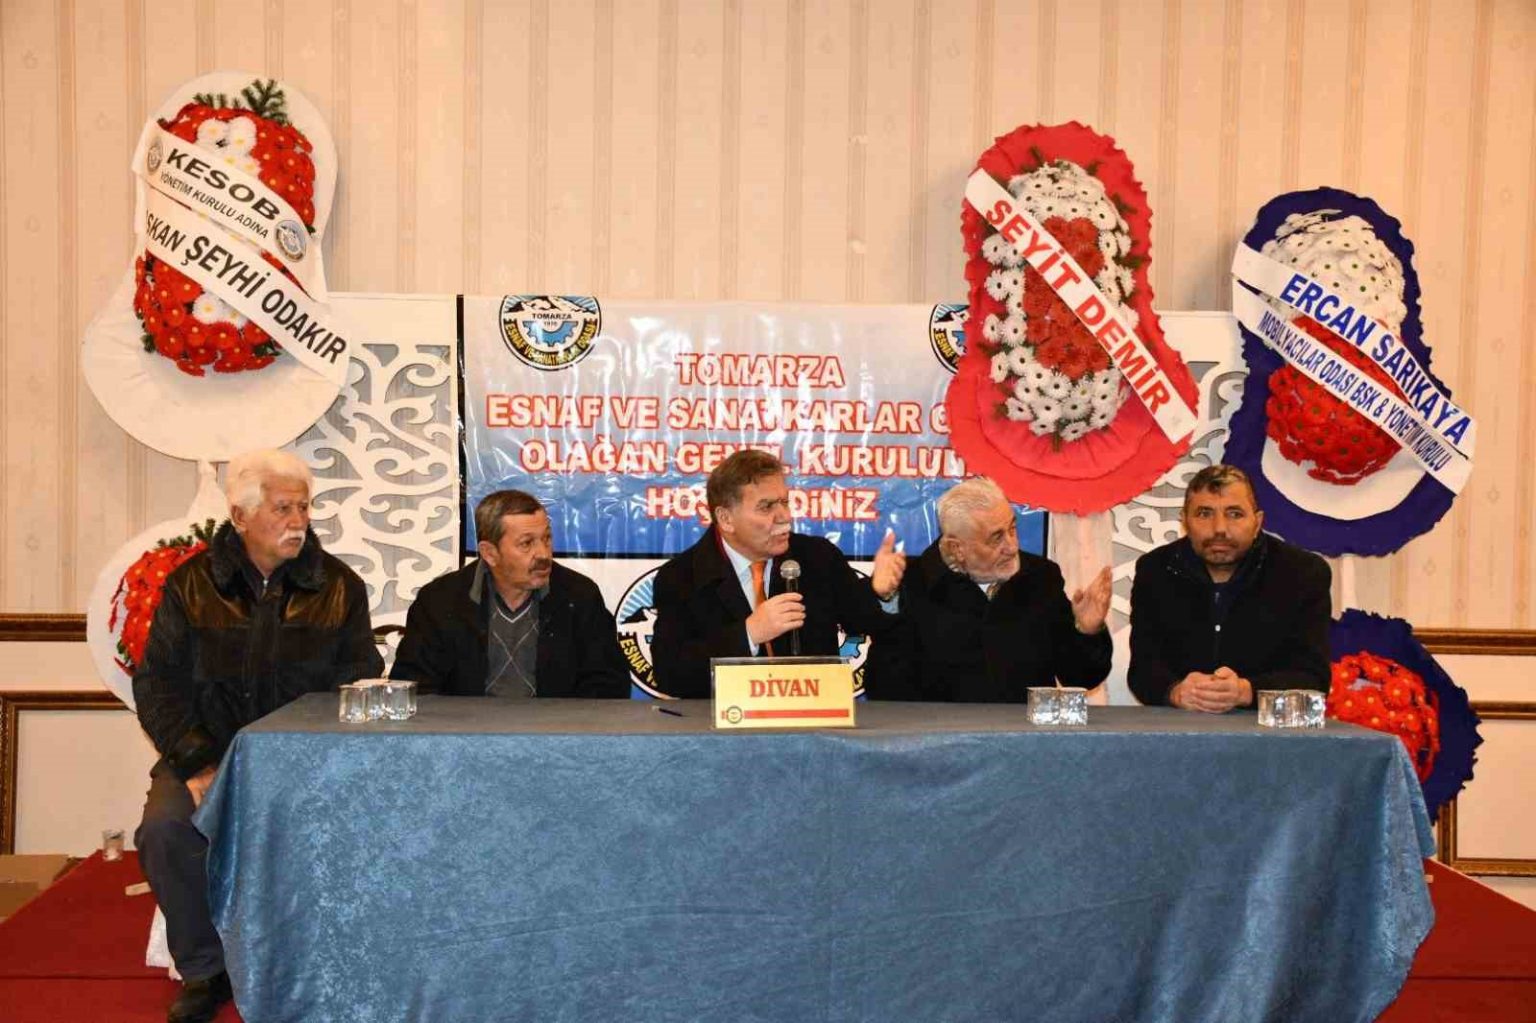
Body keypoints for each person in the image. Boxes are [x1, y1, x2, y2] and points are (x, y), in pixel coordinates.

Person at [133, 450, 382, 1023]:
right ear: (241, 517)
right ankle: (204, 970)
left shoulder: (339, 587)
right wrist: (196, 764)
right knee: (165, 829)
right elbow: (157, 684)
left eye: (304, 508)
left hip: (301, 758)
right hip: (208, 752)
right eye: (282, 509)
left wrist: (314, 762)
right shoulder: (191, 584)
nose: (298, 521)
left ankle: (318, 962)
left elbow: (356, 684)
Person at [651, 449, 905, 698]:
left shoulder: (818, 557)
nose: (784, 516)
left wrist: (881, 592)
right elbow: (671, 674)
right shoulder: (681, 577)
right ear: (726, 519)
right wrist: (749, 633)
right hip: (725, 723)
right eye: (766, 507)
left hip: (813, 718)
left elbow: (862, 620)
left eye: (784, 502)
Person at [863, 477, 1112, 701]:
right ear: (957, 548)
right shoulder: (913, 583)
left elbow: (1081, 677)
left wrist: (1087, 631)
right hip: (939, 734)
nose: (1012, 547)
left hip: (1023, 734)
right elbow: (883, 690)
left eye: (1012, 529)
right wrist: (886, 602)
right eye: (996, 538)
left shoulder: (1041, 578)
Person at [1128, 463, 1331, 712]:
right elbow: (1143, 671)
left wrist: (1246, 691)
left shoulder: (1302, 573)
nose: (1220, 529)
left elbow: (1313, 679)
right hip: (1180, 725)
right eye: (1204, 513)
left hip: (1267, 727)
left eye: (1235, 514)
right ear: (1185, 521)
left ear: (1257, 522)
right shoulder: (1156, 570)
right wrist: (1175, 692)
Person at [390, 490, 630, 697]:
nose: (543, 554)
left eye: (546, 538)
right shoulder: (440, 601)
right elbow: (414, 687)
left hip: (555, 732)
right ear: (489, 553)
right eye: (527, 543)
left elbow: (609, 685)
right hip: (466, 732)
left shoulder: (579, 596)